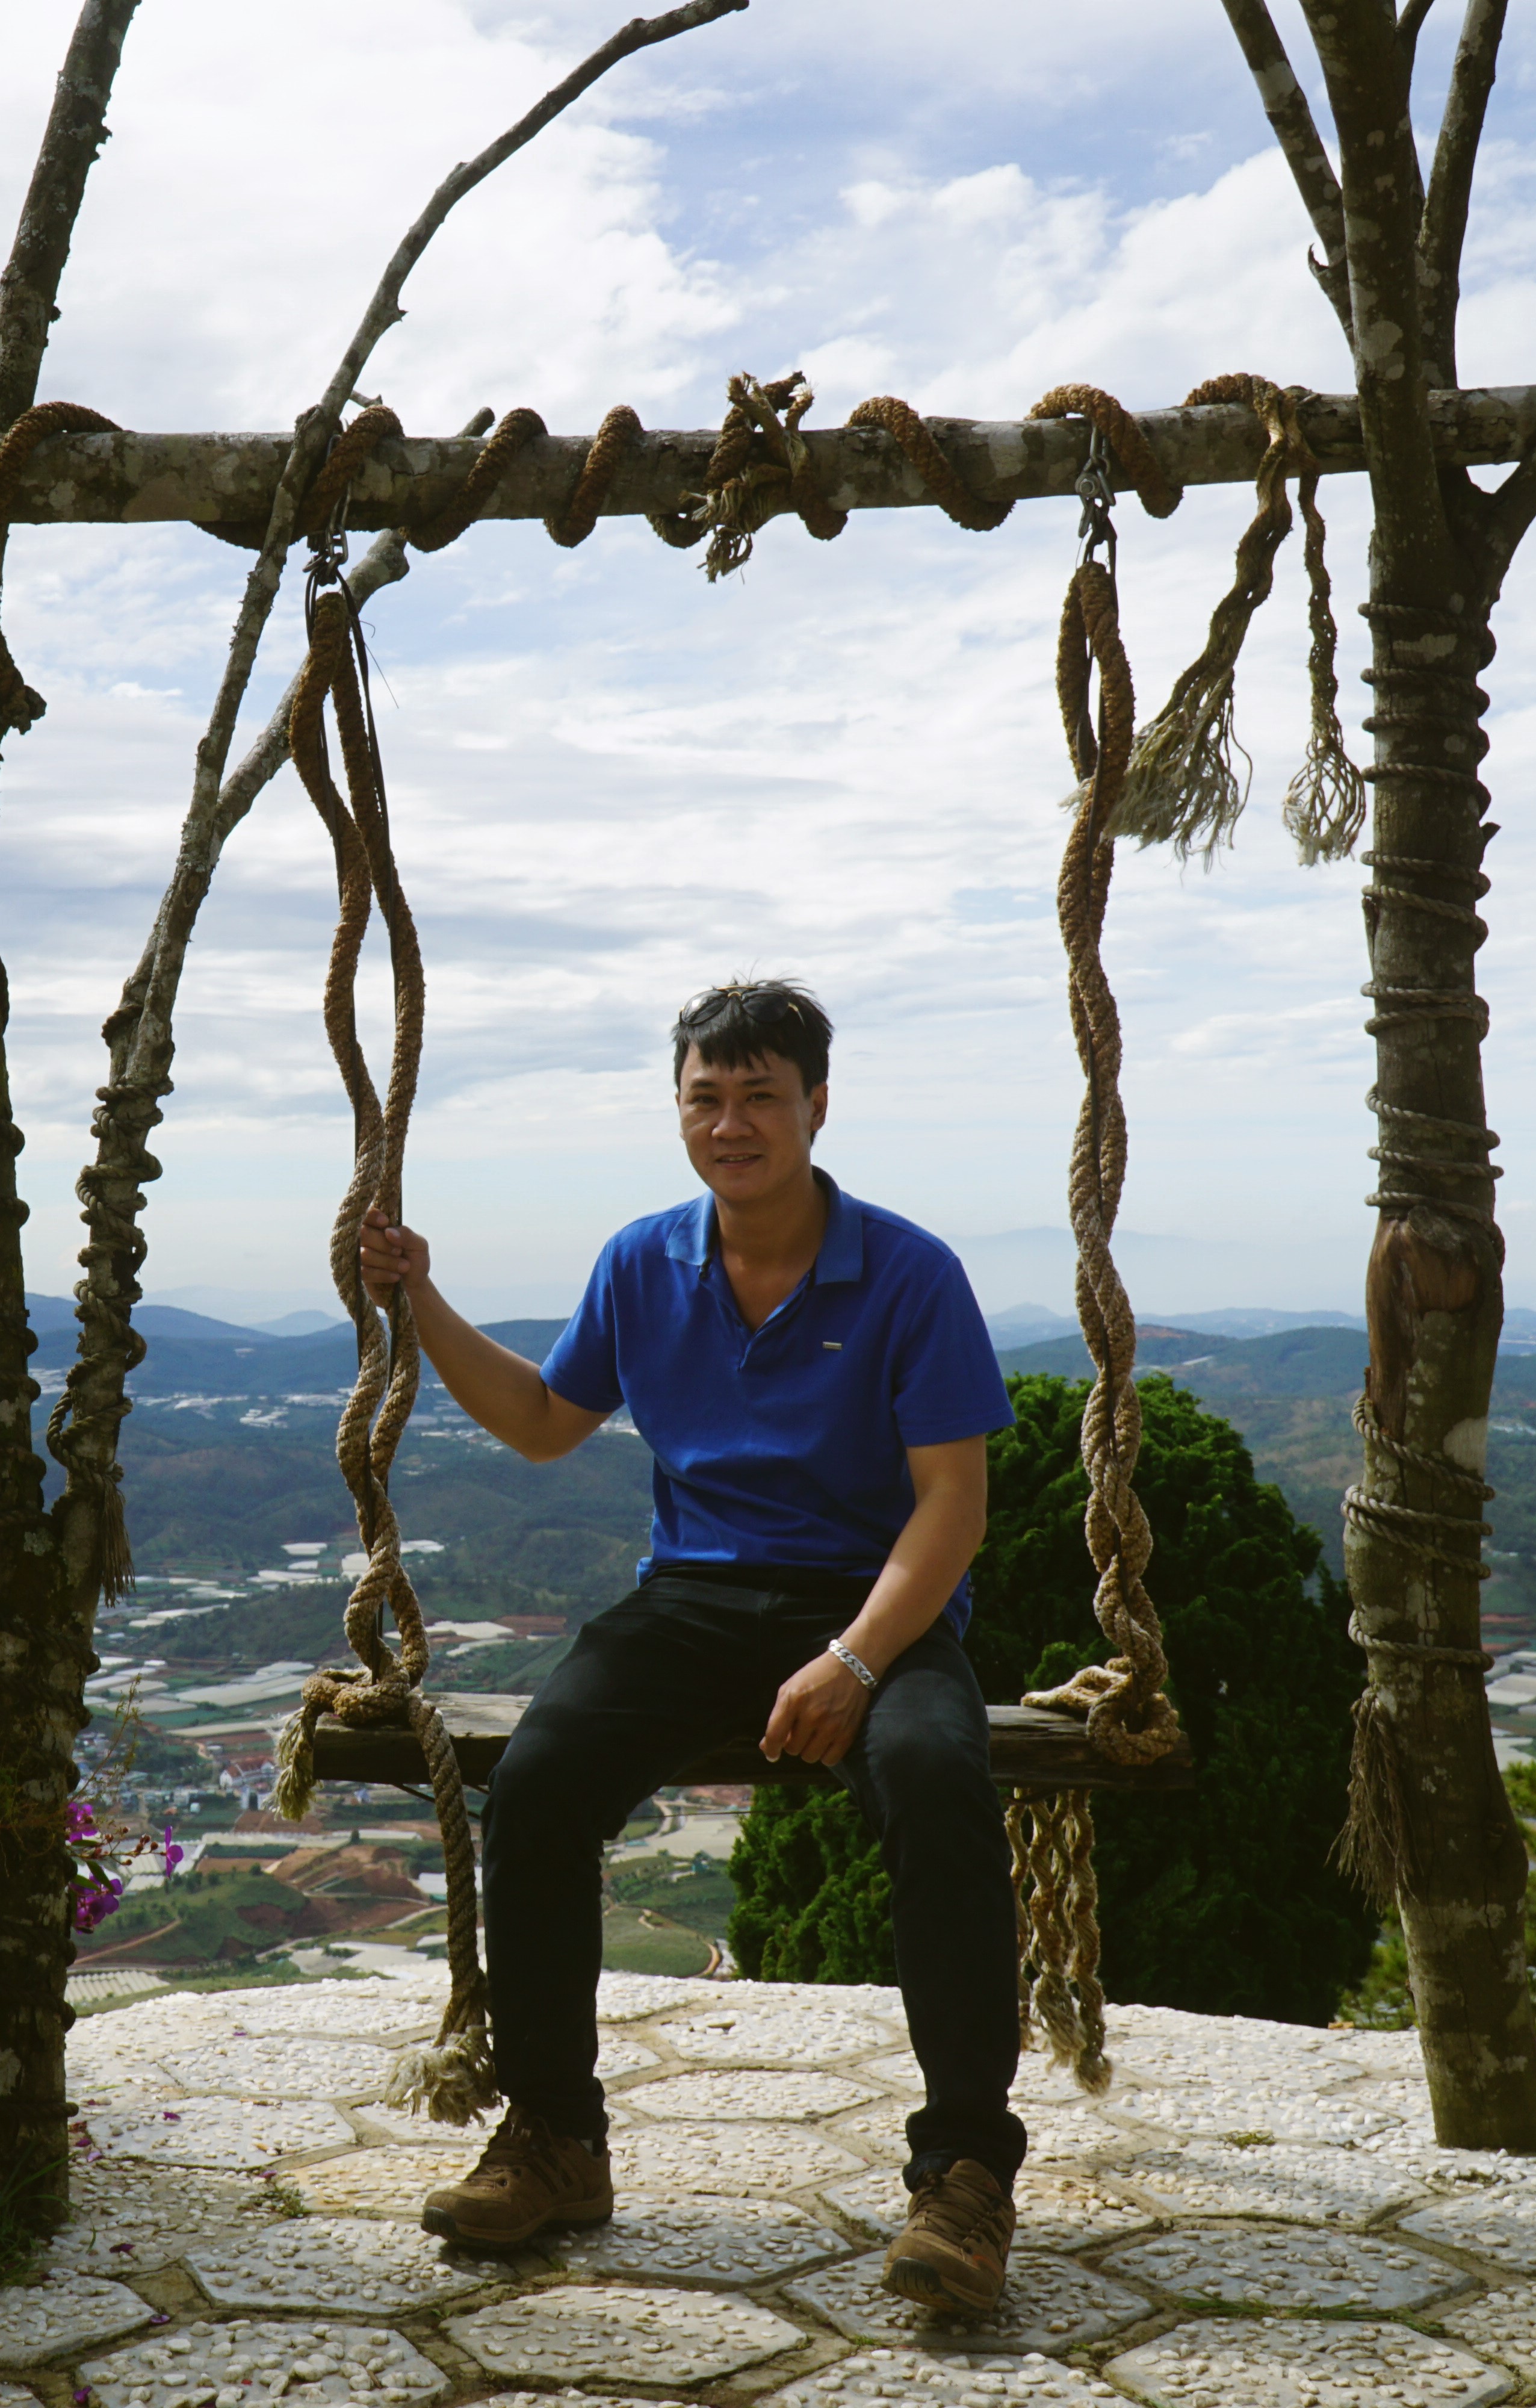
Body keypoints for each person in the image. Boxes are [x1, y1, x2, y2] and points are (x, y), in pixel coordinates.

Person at [361, 978, 1024, 2312]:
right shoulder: (642, 1262)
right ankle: (557, 2137)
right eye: (706, 1097)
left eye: (760, 1095)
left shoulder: (911, 1274)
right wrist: (419, 1296)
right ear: (678, 1111)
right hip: (695, 1599)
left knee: (940, 1779)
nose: (732, 1124)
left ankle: (964, 2174)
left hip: (875, 1607)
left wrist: (853, 1659)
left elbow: (952, 1506)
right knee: (539, 1785)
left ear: (817, 1106)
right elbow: (544, 1422)